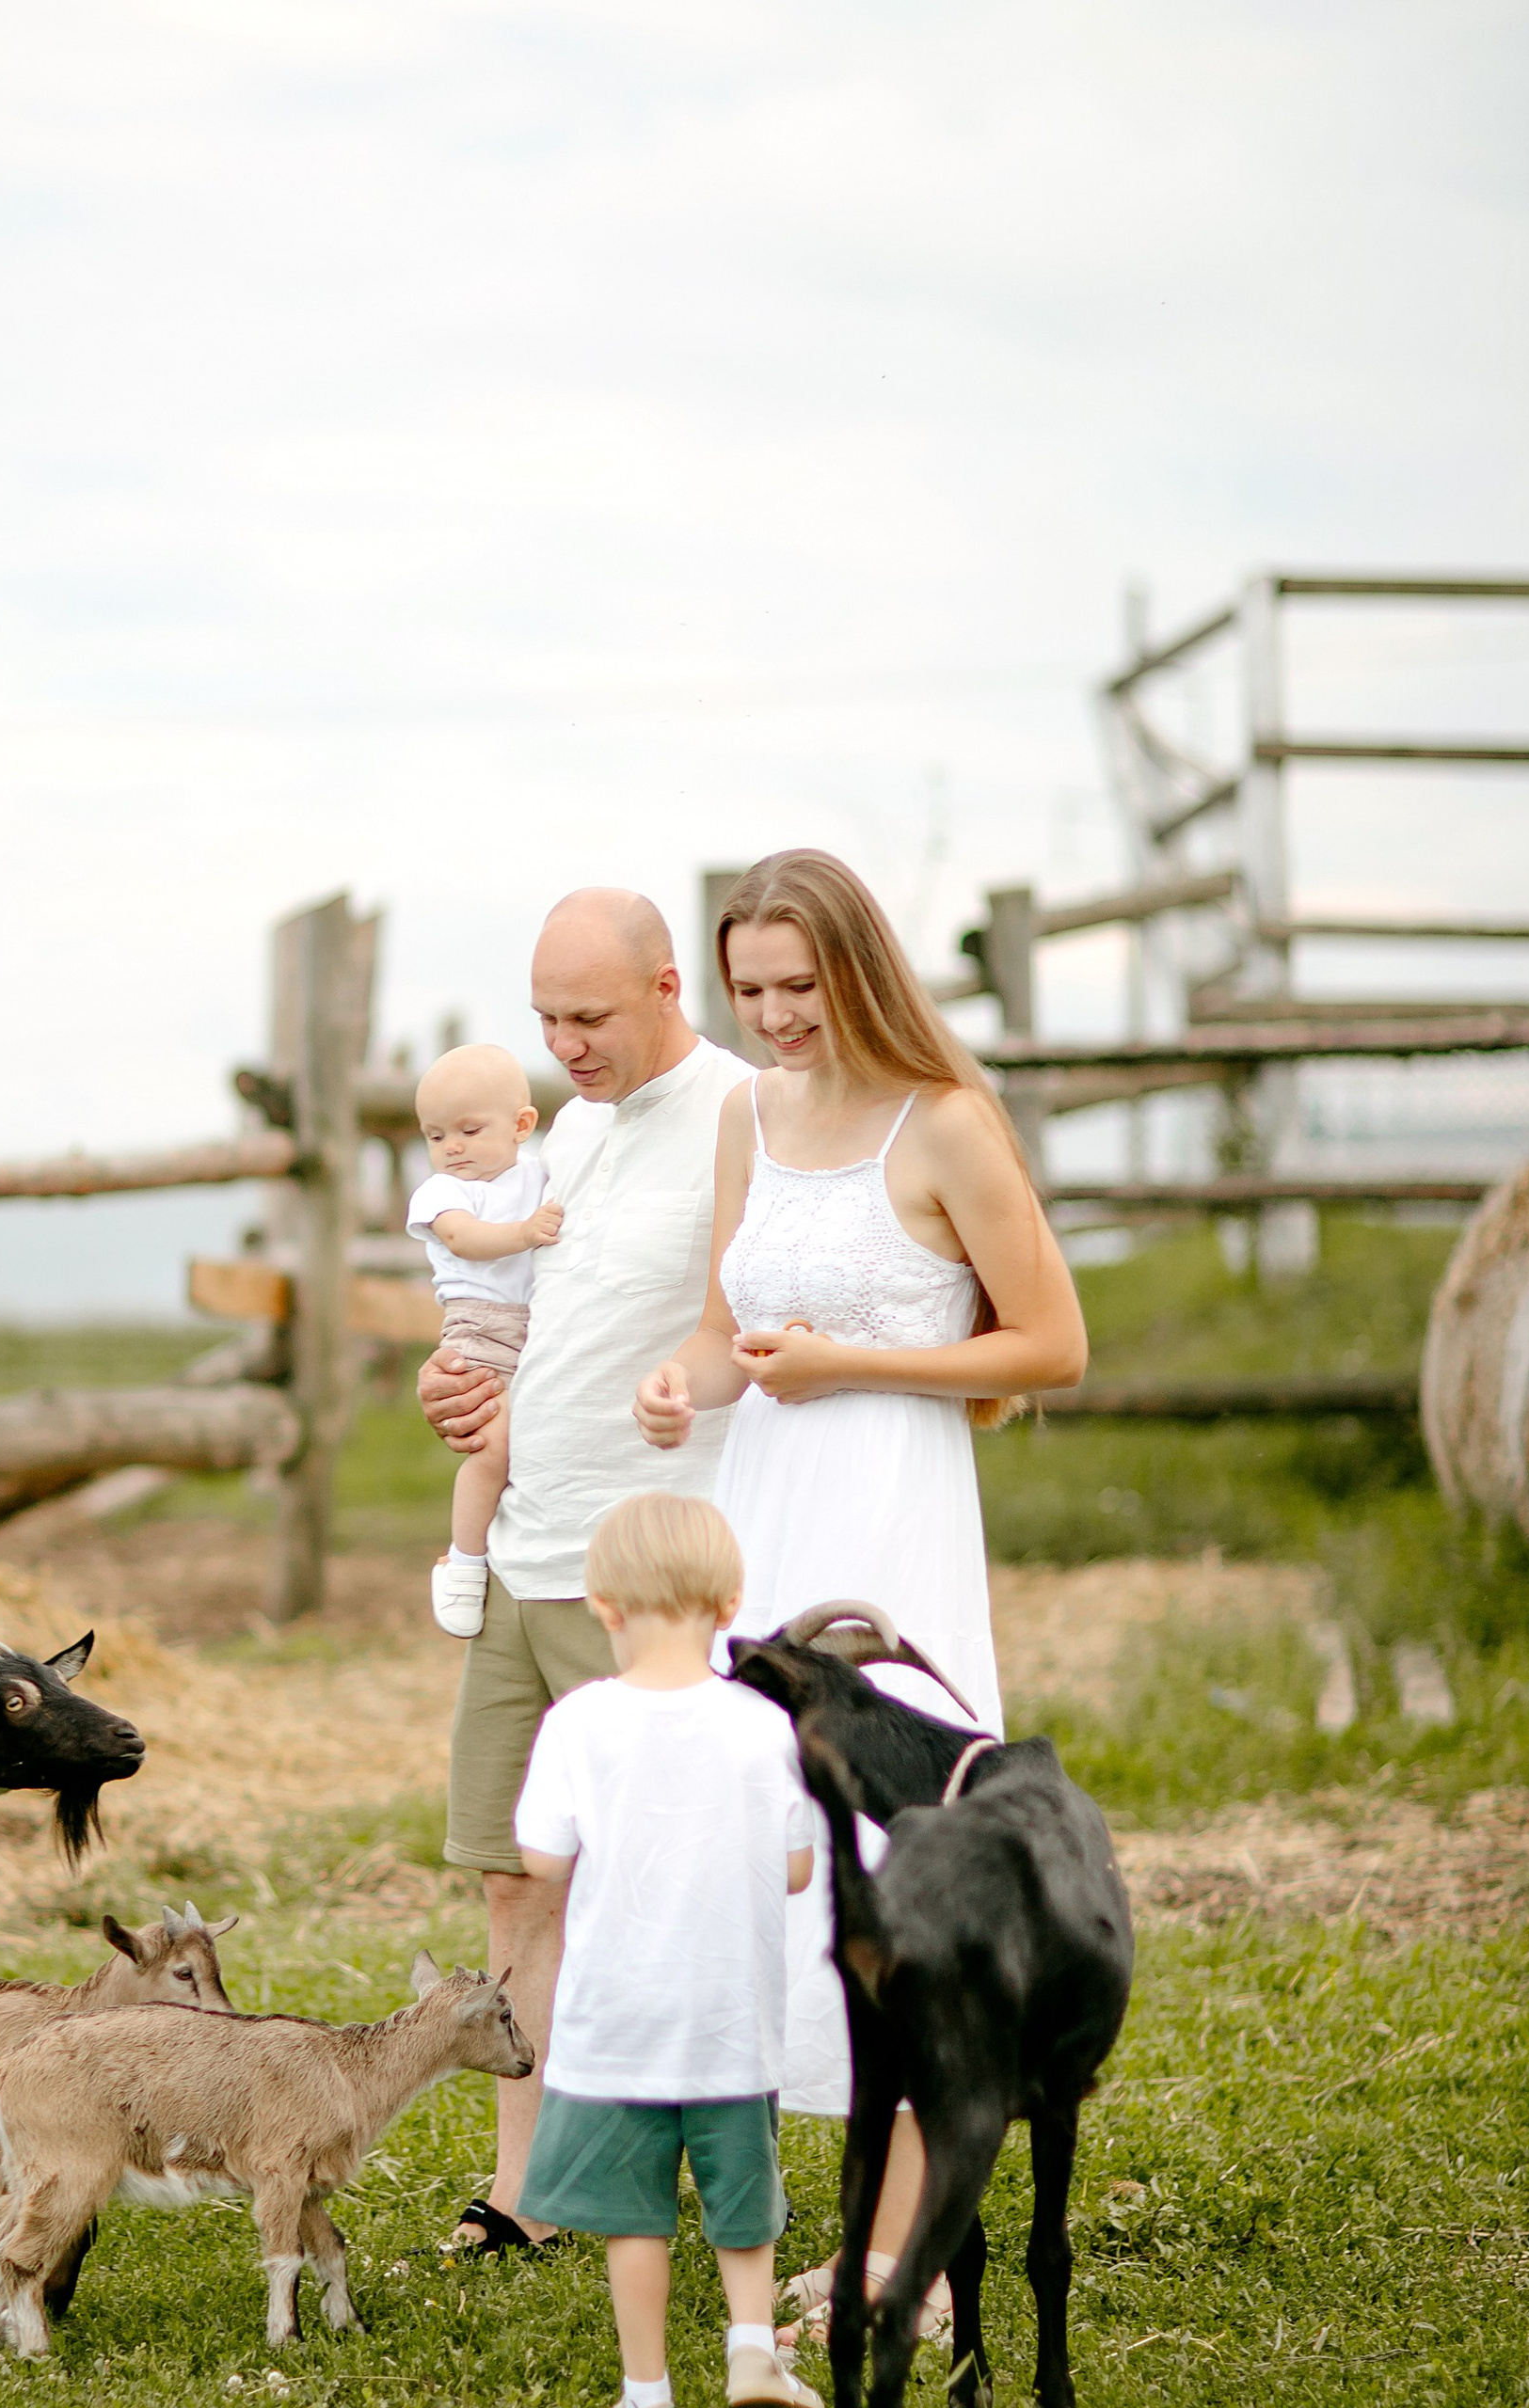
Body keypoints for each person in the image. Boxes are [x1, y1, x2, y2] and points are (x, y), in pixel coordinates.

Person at [632, 847, 1088, 2346]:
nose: (769, 1017)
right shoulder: (748, 1120)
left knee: (900, 1861)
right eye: (747, 988)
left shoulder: (944, 1124)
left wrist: (852, 1364)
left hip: (892, 1527)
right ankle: (821, 2219)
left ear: (860, 971)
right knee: (772, 1843)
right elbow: (723, 1332)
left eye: (797, 986)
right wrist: (676, 1386)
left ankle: (907, 2259)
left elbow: (1050, 1348)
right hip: (761, 1518)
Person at [419, 887, 751, 2255]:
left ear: (670, 987)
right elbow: (530, 1313)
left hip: (647, 1561)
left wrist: (690, 1389)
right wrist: (460, 1384)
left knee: (657, 1883)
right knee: (513, 1876)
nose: (565, 1044)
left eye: (591, 1016)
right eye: (547, 1017)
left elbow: (741, 1316)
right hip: (523, 1546)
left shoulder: (739, 1110)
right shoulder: (566, 1133)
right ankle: (529, 2190)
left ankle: (686, 2164)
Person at [514, 1491, 819, 2408]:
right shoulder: (763, 1724)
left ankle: (645, 2389)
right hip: (730, 2016)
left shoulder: (577, 1721)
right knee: (742, 2204)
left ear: (601, 1607)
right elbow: (798, 1867)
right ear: (729, 1607)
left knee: (631, 2215)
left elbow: (540, 1858)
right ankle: (751, 2349)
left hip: (617, 2021)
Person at [406, 1044, 565, 1638]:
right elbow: (465, 1239)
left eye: (470, 1130)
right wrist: (524, 1233)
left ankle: (509, 1546)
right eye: (435, 1134)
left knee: (534, 1439)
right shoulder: (443, 1192)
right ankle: (464, 1561)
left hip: (540, 1323)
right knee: (492, 1444)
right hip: (479, 1326)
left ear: (522, 1125)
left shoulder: (542, 1172)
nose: (451, 1147)